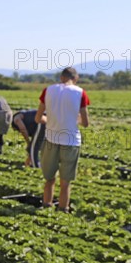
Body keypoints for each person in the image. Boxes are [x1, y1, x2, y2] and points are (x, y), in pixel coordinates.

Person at [35, 67, 90, 213]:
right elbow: (85, 123)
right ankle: (63, 209)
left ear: (61, 77)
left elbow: (38, 118)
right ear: (75, 78)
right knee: (65, 182)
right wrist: (75, 120)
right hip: (71, 141)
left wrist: (51, 119)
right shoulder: (80, 93)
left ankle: (46, 206)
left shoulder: (48, 90)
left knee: (49, 179)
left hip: (51, 140)